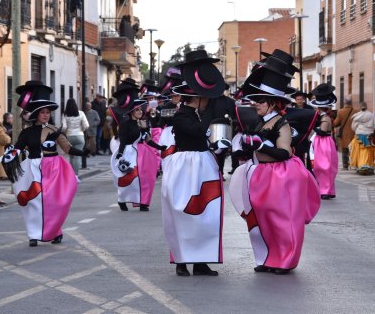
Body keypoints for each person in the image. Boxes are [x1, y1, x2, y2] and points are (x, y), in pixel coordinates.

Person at [229, 51, 320, 274]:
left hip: (282, 176)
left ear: (271, 103)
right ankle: (268, 258)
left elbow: (284, 153)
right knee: (263, 219)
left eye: (259, 101)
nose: (255, 104)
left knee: (283, 220)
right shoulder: (260, 123)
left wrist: (261, 145)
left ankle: (285, 260)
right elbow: (252, 146)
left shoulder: (282, 124)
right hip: (261, 175)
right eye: (255, 100)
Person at [162, 50, 226, 277]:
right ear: (196, 98)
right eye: (204, 98)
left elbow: (206, 137)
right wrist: (210, 116)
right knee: (183, 214)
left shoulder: (198, 114)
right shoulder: (181, 116)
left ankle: (200, 261)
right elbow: (197, 131)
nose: (207, 102)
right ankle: (181, 260)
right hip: (184, 167)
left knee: (206, 215)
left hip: (203, 164)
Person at [2, 81, 86, 247]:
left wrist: (84, 152)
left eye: (48, 112)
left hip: (53, 170)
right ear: (36, 114)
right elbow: (18, 148)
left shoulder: (55, 130)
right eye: (42, 112)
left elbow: (67, 148)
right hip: (32, 170)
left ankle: (55, 231)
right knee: (34, 202)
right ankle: (34, 235)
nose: (46, 115)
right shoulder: (27, 132)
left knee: (54, 202)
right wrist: (9, 156)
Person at [111, 96, 166, 212]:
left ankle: (143, 203)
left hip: (141, 154)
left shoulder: (142, 123)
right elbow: (123, 141)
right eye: (137, 110)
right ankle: (122, 199)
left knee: (146, 178)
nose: (140, 112)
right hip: (128, 153)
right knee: (130, 177)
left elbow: (148, 139)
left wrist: (160, 147)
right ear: (131, 112)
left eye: (141, 109)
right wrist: (120, 154)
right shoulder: (125, 125)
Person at [309, 83, 339, 199]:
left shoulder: (325, 117)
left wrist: (312, 127)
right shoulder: (324, 116)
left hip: (323, 143)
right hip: (323, 142)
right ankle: (326, 189)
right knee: (323, 167)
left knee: (323, 166)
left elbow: (322, 131)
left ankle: (325, 190)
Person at [62, 98, 89, 180]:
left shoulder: (65, 115)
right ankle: (76, 176)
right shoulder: (81, 113)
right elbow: (86, 125)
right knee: (77, 157)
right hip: (79, 136)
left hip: (69, 137)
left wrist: (65, 132)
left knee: (71, 157)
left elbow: (64, 127)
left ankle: (71, 175)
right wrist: (81, 130)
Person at [351, 102, 375, 175]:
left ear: (360, 107)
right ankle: (368, 166)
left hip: (359, 135)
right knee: (368, 151)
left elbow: (353, 127)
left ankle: (360, 166)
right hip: (369, 135)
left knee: (359, 151)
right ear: (367, 107)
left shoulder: (356, 116)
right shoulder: (371, 115)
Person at [332, 95, 357, 170]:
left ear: (344, 102)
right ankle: (353, 164)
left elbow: (335, 124)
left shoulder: (341, 111)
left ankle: (345, 166)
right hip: (354, 134)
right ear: (351, 102)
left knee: (344, 150)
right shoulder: (356, 111)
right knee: (353, 150)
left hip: (344, 134)